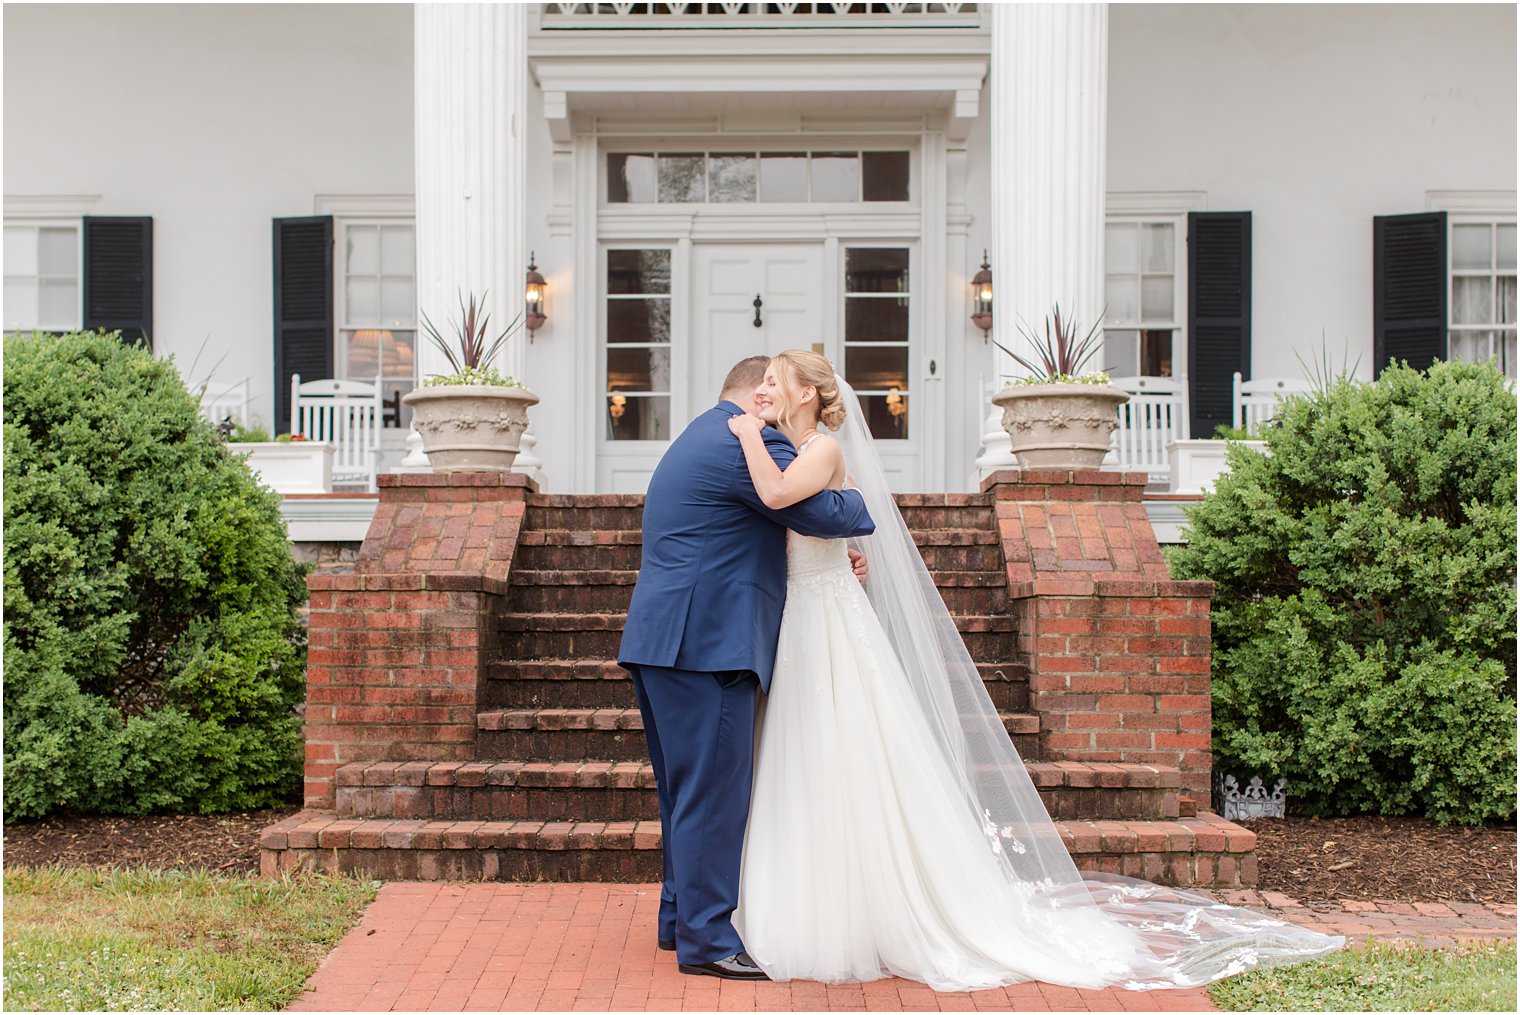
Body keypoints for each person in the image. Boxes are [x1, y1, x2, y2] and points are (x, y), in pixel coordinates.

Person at [725, 349, 1345, 991]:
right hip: (803, 612)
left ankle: (864, 914)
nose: (763, 392)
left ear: (804, 393)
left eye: (774, 382)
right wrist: (846, 551)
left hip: (826, 619)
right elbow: (812, 521)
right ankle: (816, 901)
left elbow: (777, 496)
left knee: (844, 748)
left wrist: (745, 434)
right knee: (807, 753)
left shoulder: (819, 449)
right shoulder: (795, 450)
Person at [616, 355, 876, 981]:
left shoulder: (701, 432)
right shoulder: (746, 443)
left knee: (685, 791)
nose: (770, 402)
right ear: (754, 399)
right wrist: (862, 503)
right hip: (705, 643)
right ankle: (705, 942)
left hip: (666, 640)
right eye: (766, 391)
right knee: (712, 796)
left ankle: (679, 918)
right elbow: (822, 514)